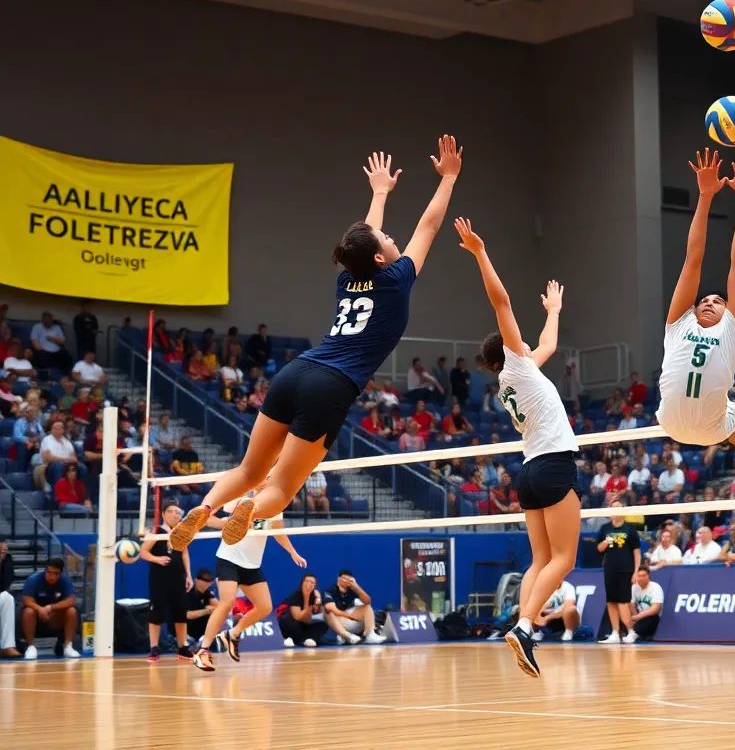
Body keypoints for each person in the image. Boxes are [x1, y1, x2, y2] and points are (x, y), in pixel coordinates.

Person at [170, 139, 463, 551]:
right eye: (385, 239)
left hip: (295, 373)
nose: (390, 238)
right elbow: (428, 226)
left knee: (250, 469)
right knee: (283, 488)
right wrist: (449, 178)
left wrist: (379, 193)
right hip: (331, 386)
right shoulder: (396, 278)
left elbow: (364, 239)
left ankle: (205, 507)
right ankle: (250, 510)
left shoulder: (347, 278)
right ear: (380, 258)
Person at [453, 217, 579, 680]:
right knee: (563, 560)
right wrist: (481, 253)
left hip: (527, 473)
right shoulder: (518, 365)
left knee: (541, 560)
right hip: (551, 465)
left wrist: (554, 309)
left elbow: (548, 342)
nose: (525, 342)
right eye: (517, 341)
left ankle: (522, 625)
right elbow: (500, 301)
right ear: (508, 348)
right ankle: (526, 626)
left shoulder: (518, 372)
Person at [656, 147, 735, 447]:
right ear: (694, 309)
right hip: (670, 424)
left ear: (728, 311)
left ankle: (733, 428)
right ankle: (732, 426)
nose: (709, 302)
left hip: (705, 427)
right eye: (705, 300)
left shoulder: (732, 330)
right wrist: (705, 195)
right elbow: (692, 258)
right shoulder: (679, 323)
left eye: (718, 301)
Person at [191, 484, 307, 671]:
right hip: (229, 558)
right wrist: (212, 520)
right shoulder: (240, 501)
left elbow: (278, 533)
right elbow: (215, 517)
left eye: (270, 479)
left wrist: (293, 553)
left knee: (265, 607)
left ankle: (233, 634)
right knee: (226, 603)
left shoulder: (274, 508)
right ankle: (202, 651)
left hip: (251, 565)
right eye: (264, 478)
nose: (267, 481)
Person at [139, 503, 193, 662]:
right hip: (159, 578)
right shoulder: (157, 530)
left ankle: (182, 647)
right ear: (163, 514)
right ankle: (154, 648)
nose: (176, 515)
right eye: (172, 512)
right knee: (157, 613)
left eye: (178, 512)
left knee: (181, 614)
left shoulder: (181, 532)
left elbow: (184, 554)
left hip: (178, 578)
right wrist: (156, 559)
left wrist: (188, 575)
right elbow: (143, 552)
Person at [596, 498, 640, 644]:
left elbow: (636, 552)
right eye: (612, 508)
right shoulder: (605, 529)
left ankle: (631, 631)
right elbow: (599, 549)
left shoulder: (629, 529)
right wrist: (605, 542)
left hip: (626, 570)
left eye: (618, 508)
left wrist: (635, 571)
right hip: (609, 569)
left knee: (623, 602)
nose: (615, 511)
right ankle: (615, 632)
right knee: (611, 601)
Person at [20, 558, 79, 659]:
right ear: (45, 570)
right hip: (36, 617)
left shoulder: (65, 580)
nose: (51, 576)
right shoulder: (34, 579)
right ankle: (30, 646)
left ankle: (68, 646)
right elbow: (26, 600)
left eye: (56, 573)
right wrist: (40, 609)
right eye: (49, 572)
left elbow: (71, 600)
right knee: (28, 611)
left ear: (60, 573)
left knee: (72, 611)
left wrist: (51, 607)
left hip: (54, 617)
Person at [322, 570, 387, 645]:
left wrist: (356, 587)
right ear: (338, 579)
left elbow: (368, 601)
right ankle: (347, 636)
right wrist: (350, 616)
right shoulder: (331, 590)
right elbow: (330, 608)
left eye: (349, 579)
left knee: (367, 607)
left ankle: (369, 635)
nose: (346, 581)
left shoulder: (351, 591)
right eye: (344, 578)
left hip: (348, 619)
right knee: (328, 613)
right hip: (336, 621)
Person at [279, 574, 330, 647]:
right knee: (286, 620)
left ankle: (308, 639)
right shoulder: (295, 595)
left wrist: (318, 600)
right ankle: (292, 639)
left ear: (315, 586)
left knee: (322, 625)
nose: (309, 584)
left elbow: (307, 619)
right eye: (307, 581)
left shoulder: (315, 595)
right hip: (292, 622)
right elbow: (298, 617)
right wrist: (307, 597)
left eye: (312, 582)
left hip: (304, 623)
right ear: (302, 583)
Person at [629, 565, 664, 641]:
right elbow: (631, 604)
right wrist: (635, 616)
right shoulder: (634, 587)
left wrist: (637, 617)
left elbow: (656, 609)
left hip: (653, 617)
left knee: (648, 620)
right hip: (640, 617)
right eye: (639, 576)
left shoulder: (655, 587)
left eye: (644, 575)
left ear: (649, 576)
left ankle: (633, 634)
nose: (641, 578)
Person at [184, 569, 219, 646]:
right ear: (196, 580)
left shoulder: (208, 593)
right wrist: (207, 610)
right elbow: (188, 615)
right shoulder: (188, 593)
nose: (206, 585)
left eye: (208, 582)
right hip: (188, 630)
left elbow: (220, 608)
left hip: (203, 631)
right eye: (204, 581)